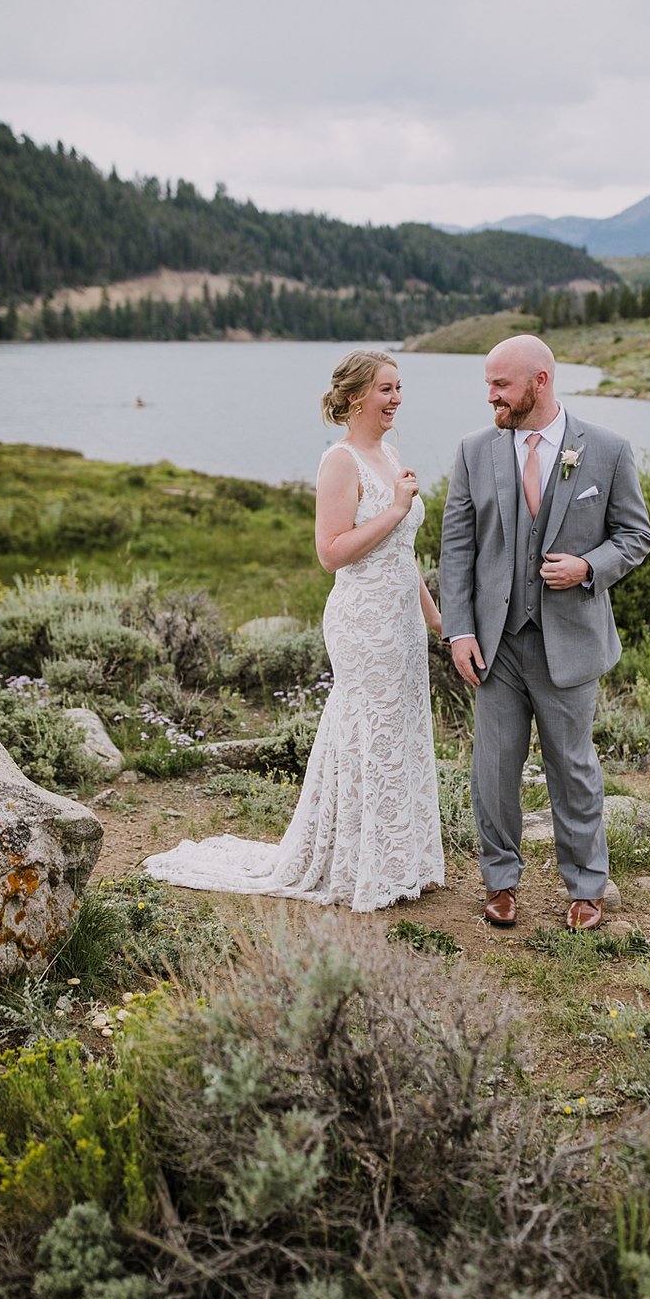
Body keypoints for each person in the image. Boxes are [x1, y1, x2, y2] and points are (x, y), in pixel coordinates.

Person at [143, 350, 445, 911]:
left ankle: (402, 861)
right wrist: (396, 509)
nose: (397, 398)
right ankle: (356, 866)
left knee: (401, 729)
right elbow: (331, 554)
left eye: (399, 387)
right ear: (356, 396)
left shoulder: (390, 453)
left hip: (402, 618)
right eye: (385, 389)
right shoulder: (341, 461)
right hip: (363, 620)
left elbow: (403, 553)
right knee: (367, 729)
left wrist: (432, 614)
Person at [439, 334, 650, 931]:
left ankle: (586, 887)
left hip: (571, 643)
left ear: (539, 381)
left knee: (572, 767)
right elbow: (456, 548)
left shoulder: (607, 451)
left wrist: (588, 567)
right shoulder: (473, 452)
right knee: (494, 769)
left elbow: (635, 536)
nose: (490, 397)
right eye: (487, 385)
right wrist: (458, 631)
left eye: (500, 385)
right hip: (495, 642)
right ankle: (500, 882)